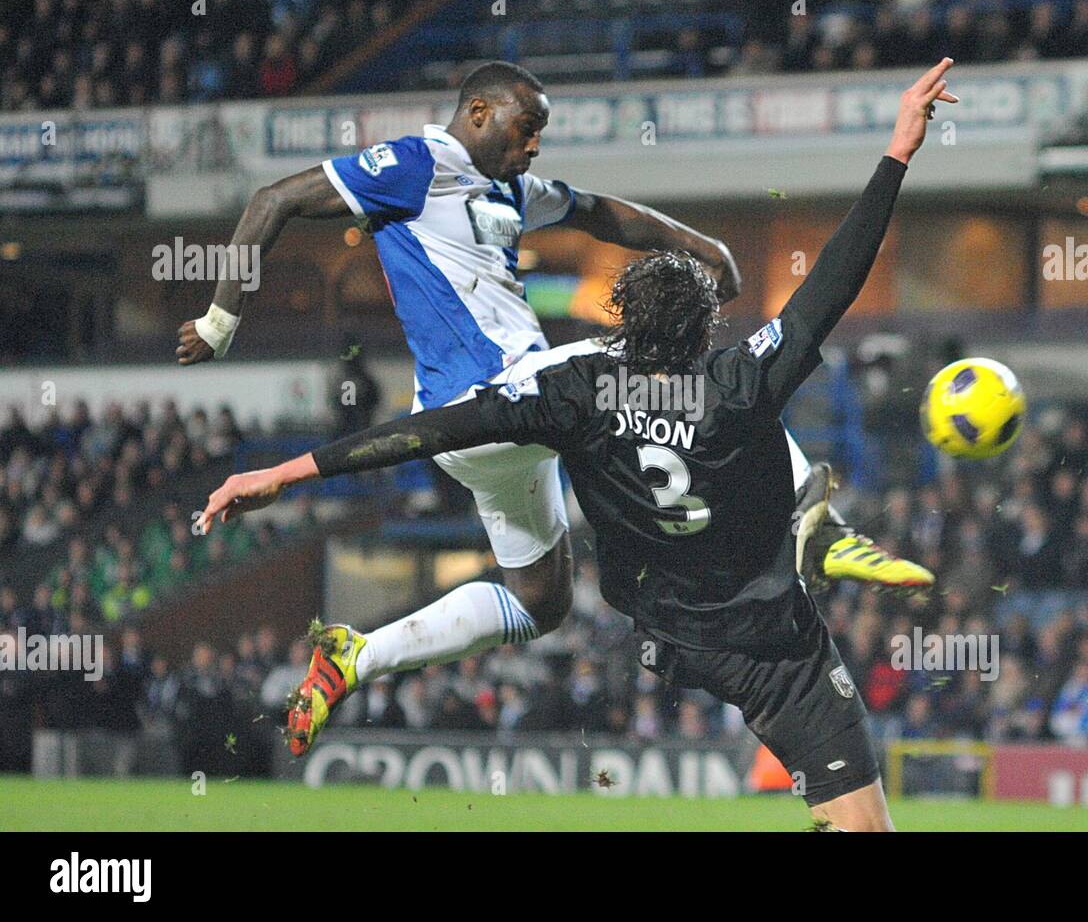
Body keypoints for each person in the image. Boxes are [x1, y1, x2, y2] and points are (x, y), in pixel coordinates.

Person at [199, 59, 959, 830]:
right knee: (712, 379)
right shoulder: (419, 163)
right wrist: (219, 323)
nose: (535, 147)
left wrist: (704, 248)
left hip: (486, 431)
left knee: (543, 601)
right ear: (480, 114)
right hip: (508, 391)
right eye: (527, 130)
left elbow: (601, 214)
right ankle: (817, 522)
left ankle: (358, 654)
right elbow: (275, 199)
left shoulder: (509, 194)